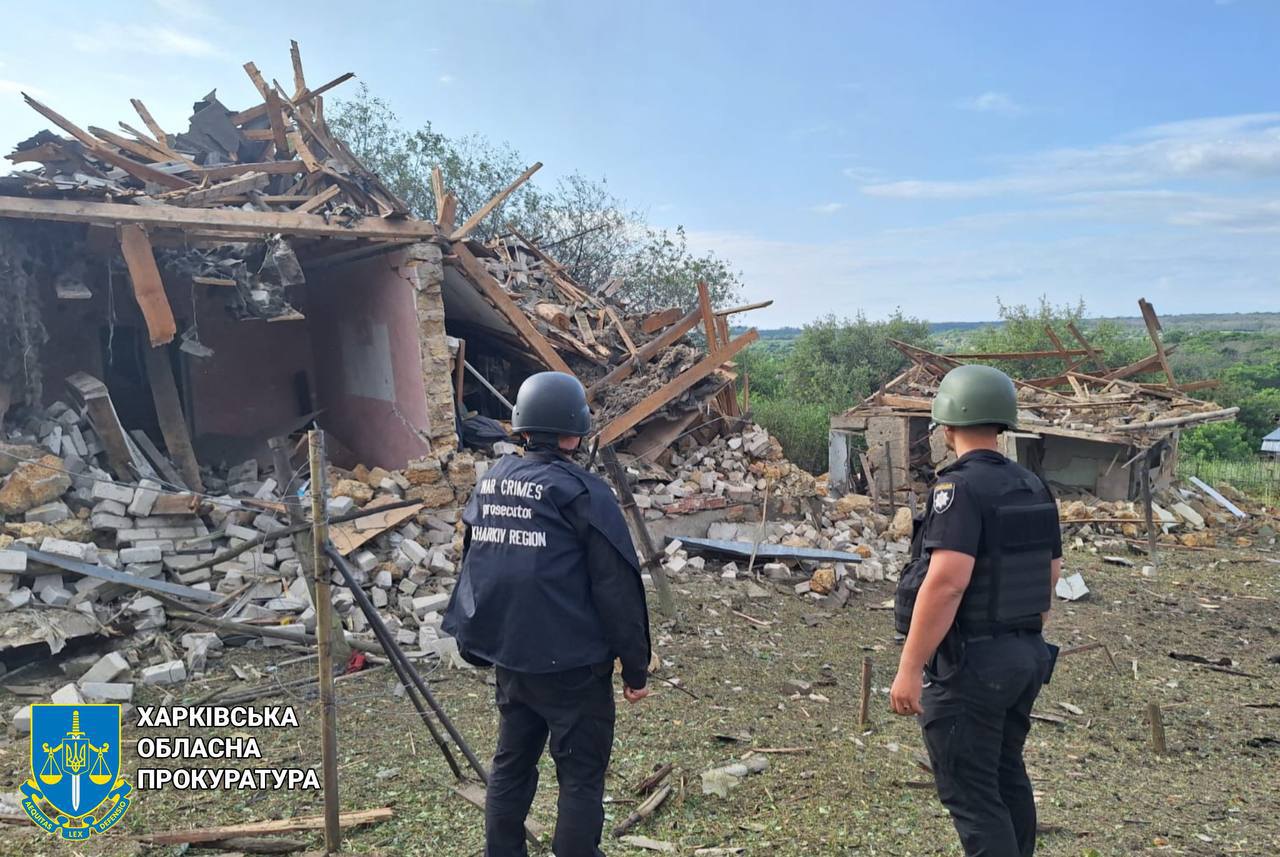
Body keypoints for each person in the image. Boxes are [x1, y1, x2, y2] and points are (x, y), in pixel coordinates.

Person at [442, 371, 652, 857]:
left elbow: (476, 564)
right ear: (573, 433)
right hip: (574, 669)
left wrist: (476, 641)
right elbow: (616, 587)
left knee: (511, 765)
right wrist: (636, 668)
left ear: (522, 426)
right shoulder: (583, 492)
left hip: (512, 661)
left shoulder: (493, 483)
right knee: (580, 775)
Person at [890, 364, 1062, 857]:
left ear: (947, 426)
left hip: (973, 666)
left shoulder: (958, 490)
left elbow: (946, 583)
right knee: (1006, 775)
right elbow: (1050, 574)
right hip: (1025, 655)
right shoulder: (1032, 485)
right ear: (1002, 423)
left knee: (973, 794)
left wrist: (909, 668)